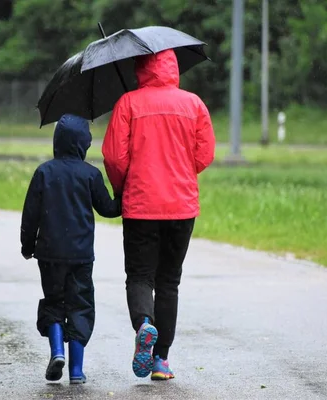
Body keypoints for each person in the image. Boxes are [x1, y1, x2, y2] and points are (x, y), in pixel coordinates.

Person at [101, 49, 215, 380]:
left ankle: (144, 324)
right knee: (169, 281)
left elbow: (114, 157)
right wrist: (180, 169)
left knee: (140, 276)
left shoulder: (128, 104)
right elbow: (204, 154)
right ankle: (161, 360)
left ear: (140, 68)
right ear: (173, 67)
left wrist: (124, 186)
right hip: (181, 205)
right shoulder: (194, 104)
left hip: (140, 205)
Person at [21, 114, 121, 384]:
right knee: (80, 307)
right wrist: (123, 187)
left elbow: (30, 215)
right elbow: (110, 209)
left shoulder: (44, 172)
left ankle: (56, 352)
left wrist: (27, 245)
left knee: (54, 302)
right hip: (80, 257)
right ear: (83, 144)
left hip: (49, 254)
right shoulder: (90, 174)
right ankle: (76, 371)